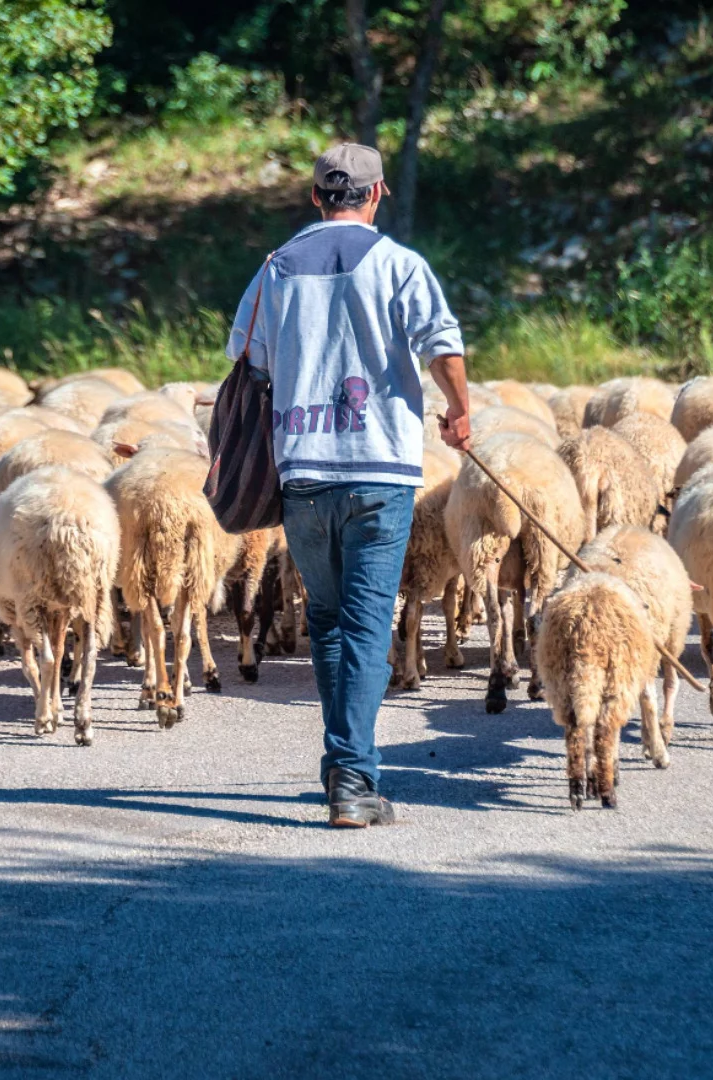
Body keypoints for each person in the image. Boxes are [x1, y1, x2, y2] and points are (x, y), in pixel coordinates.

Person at [225, 143, 472, 828]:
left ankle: (343, 768)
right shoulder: (400, 264)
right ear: (377, 193)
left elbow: (250, 361)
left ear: (315, 197)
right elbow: (443, 347)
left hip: (303, 469)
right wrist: (459, 411)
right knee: (366, 626)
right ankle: (354, 781)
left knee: (330, 623)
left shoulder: (275, 269)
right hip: (379, 469)